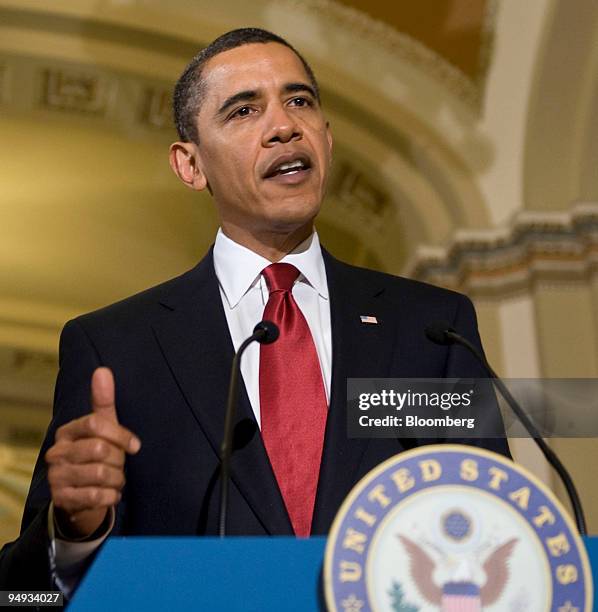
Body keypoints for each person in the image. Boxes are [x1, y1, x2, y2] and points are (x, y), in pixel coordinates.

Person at [0, 28, 509, 593]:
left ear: (328, 139)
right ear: (191, 166)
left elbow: (489, 527)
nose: (284, 125)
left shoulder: (433, 330)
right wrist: (74, 530)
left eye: (299, 101)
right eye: (244, 110)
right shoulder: (118, 349)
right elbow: (24, 594)